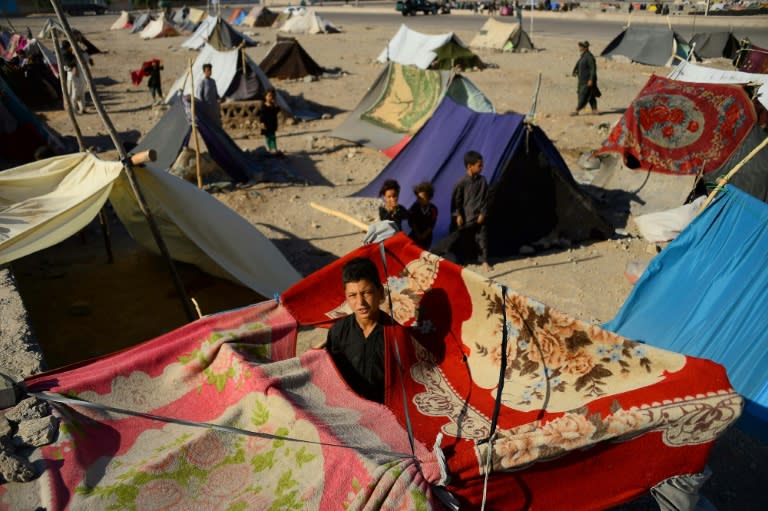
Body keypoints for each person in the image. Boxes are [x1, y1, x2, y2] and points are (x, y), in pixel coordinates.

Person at [324, 257, 389, 403]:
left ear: (380, 292)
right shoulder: (337, 332)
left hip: (385, 412)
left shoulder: (396, 336)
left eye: (366, 293)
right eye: (352, 295)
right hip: (347, 408)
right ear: (346, 297)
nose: (360, 303)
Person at [450, 150, 491, 272]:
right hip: (466, 218)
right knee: (464, 240)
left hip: (479, 217)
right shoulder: (461, 183)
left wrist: (483, 213)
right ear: (469, 166)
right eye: (479, 166)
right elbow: (456, 202)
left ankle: (484, 261)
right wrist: (458, 215)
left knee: (482, 238)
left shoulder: (482, 181)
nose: (482, 168)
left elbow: (485, 199)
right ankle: (463, 262)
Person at [570, 40, 601, 116]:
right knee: (590, 95)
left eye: (581, 46)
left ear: (585, 48)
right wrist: (575, 71)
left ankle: (577, 110)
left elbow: (593, 69)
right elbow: (579, 64)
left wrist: (591, 79)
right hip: (582, 80)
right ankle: (595, 110)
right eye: (580, 46)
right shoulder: (583, 56)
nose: (579, 48)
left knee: (583, 95)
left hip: (587, 80)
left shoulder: (589, 57)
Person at [61, 40, 92, 115]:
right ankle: (74, 111)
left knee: (80, 92)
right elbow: (67, 65)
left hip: (78, 75)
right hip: (73, 76)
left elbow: (86, 58)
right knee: (75, 94)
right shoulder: (66, 53)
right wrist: (73, 67)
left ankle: (82, 109)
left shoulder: (71, 52)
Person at [408, 181, 438, 251]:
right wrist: (418, 235)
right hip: (414, 236)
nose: (420, 200)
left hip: (427, 238)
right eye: (418, 198)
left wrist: (424, 235)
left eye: (423, 198)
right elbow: (412, 222)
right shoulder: (414, 208)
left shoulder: (433, 209)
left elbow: (432, 225)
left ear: (429, 197)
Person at [258, 88, 281, 155]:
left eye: (272, 96)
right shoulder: (264, 106)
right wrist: (262, 123)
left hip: (272, 124)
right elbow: (262, 116)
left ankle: (274, 148)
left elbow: (276, 111)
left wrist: (276, 105)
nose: (271, 97)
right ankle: (271, 148)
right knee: (268, 137)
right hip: (266, 124)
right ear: (265, 97)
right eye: (269, 96)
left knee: (273, 136)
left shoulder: (273, 105)